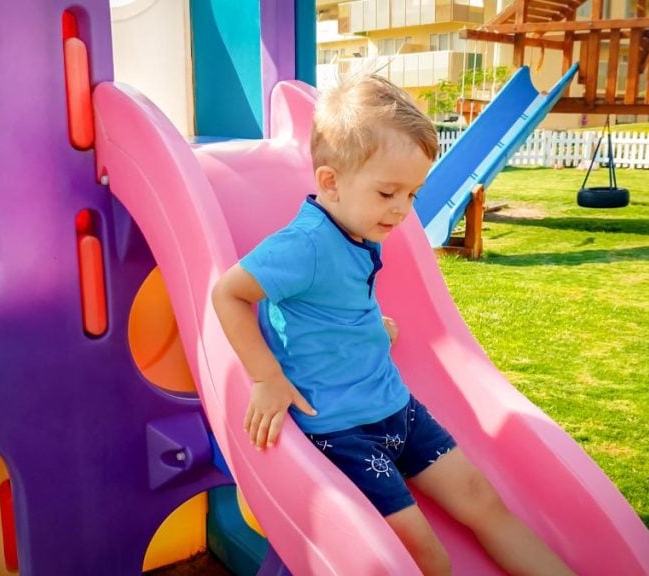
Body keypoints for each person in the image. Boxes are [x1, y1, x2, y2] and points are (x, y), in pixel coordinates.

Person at [211, 74, 574, 576]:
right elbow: (228, 292)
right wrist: (265, 377)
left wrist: (369, 328)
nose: (402, 209)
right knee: (426, 557)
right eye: (388, 192)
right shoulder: (303, 245)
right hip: (342, 431)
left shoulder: (357, 225)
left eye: (413, 193)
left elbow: (327, 303)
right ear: (330, 181)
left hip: (398, 410)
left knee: (483, 502)